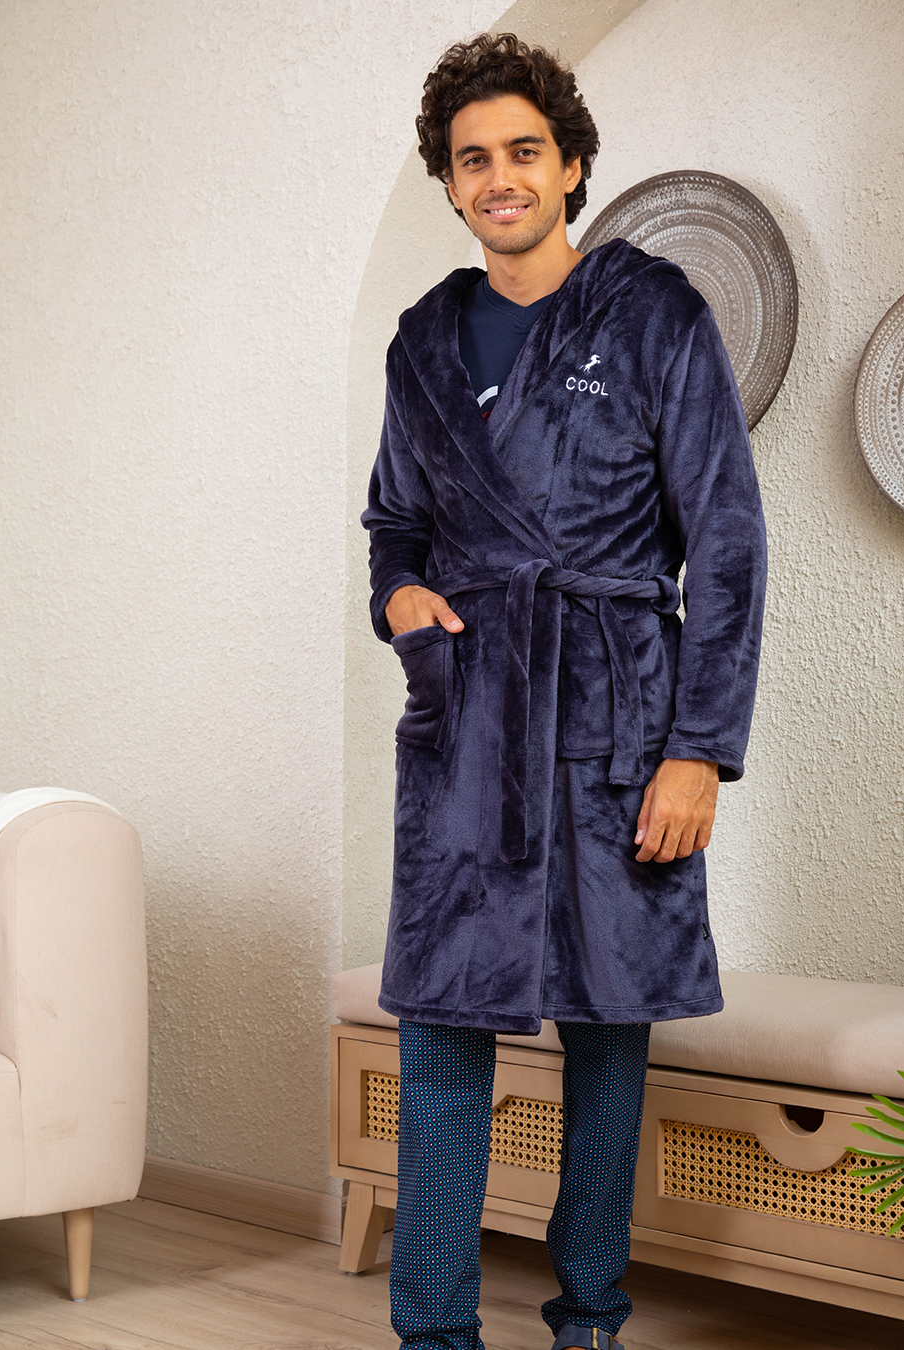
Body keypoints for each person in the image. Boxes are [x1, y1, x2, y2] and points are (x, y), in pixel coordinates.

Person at [361, 32, 767, 1350]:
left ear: (572, 164)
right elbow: (394, 522)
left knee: (607, 1027)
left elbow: (729, 541)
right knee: (442, 1031)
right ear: (449, 182)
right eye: (473, 158)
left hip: (617, 713)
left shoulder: (656, 313)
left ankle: (590, 1313)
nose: (501, 177)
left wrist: (698, 747)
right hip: (469, 714)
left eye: (524, 151)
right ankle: (434, 1329)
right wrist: (399, 595)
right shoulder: (423, 340)